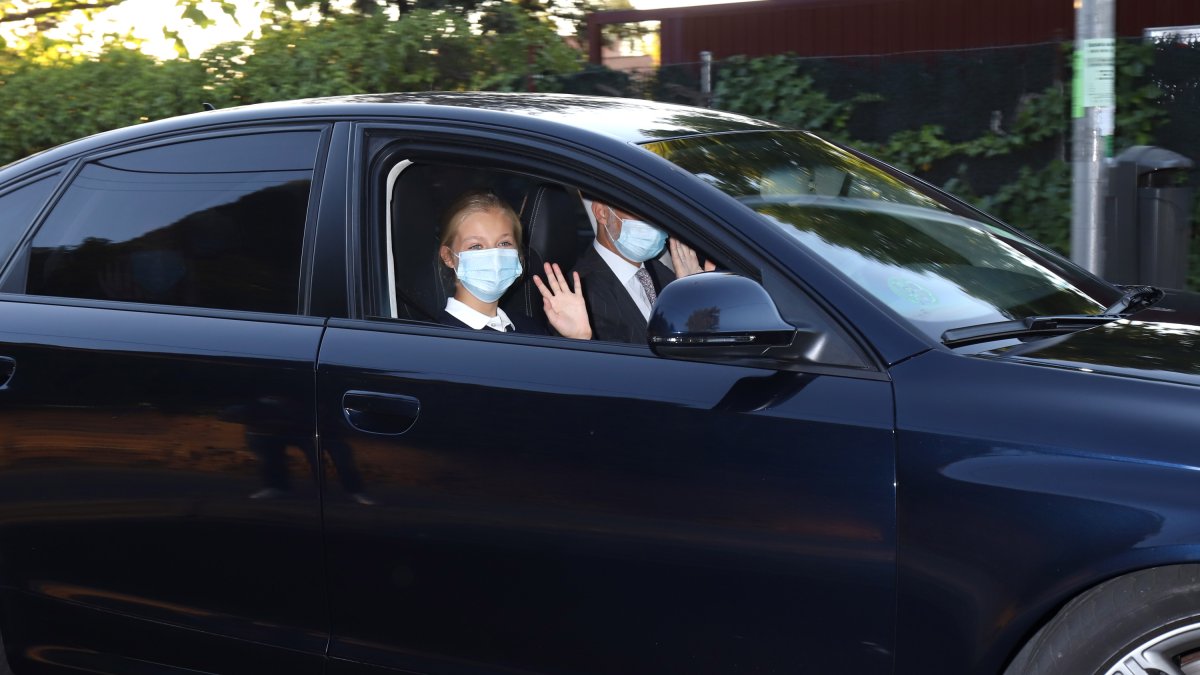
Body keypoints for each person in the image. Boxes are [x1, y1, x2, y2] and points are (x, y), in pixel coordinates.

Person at [437, 191, 591, 339]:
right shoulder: (436, 340)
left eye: (504, 243)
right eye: (476, 246)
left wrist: (579, 337)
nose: (495, 257)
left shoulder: (531, 330)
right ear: (448, 257)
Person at [571, 197, 714, 344]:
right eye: (639, 210)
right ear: (602, 213)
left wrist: (694, 298)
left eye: (657, 213)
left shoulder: (658, 270)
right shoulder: (582, 292)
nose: (653, 221)